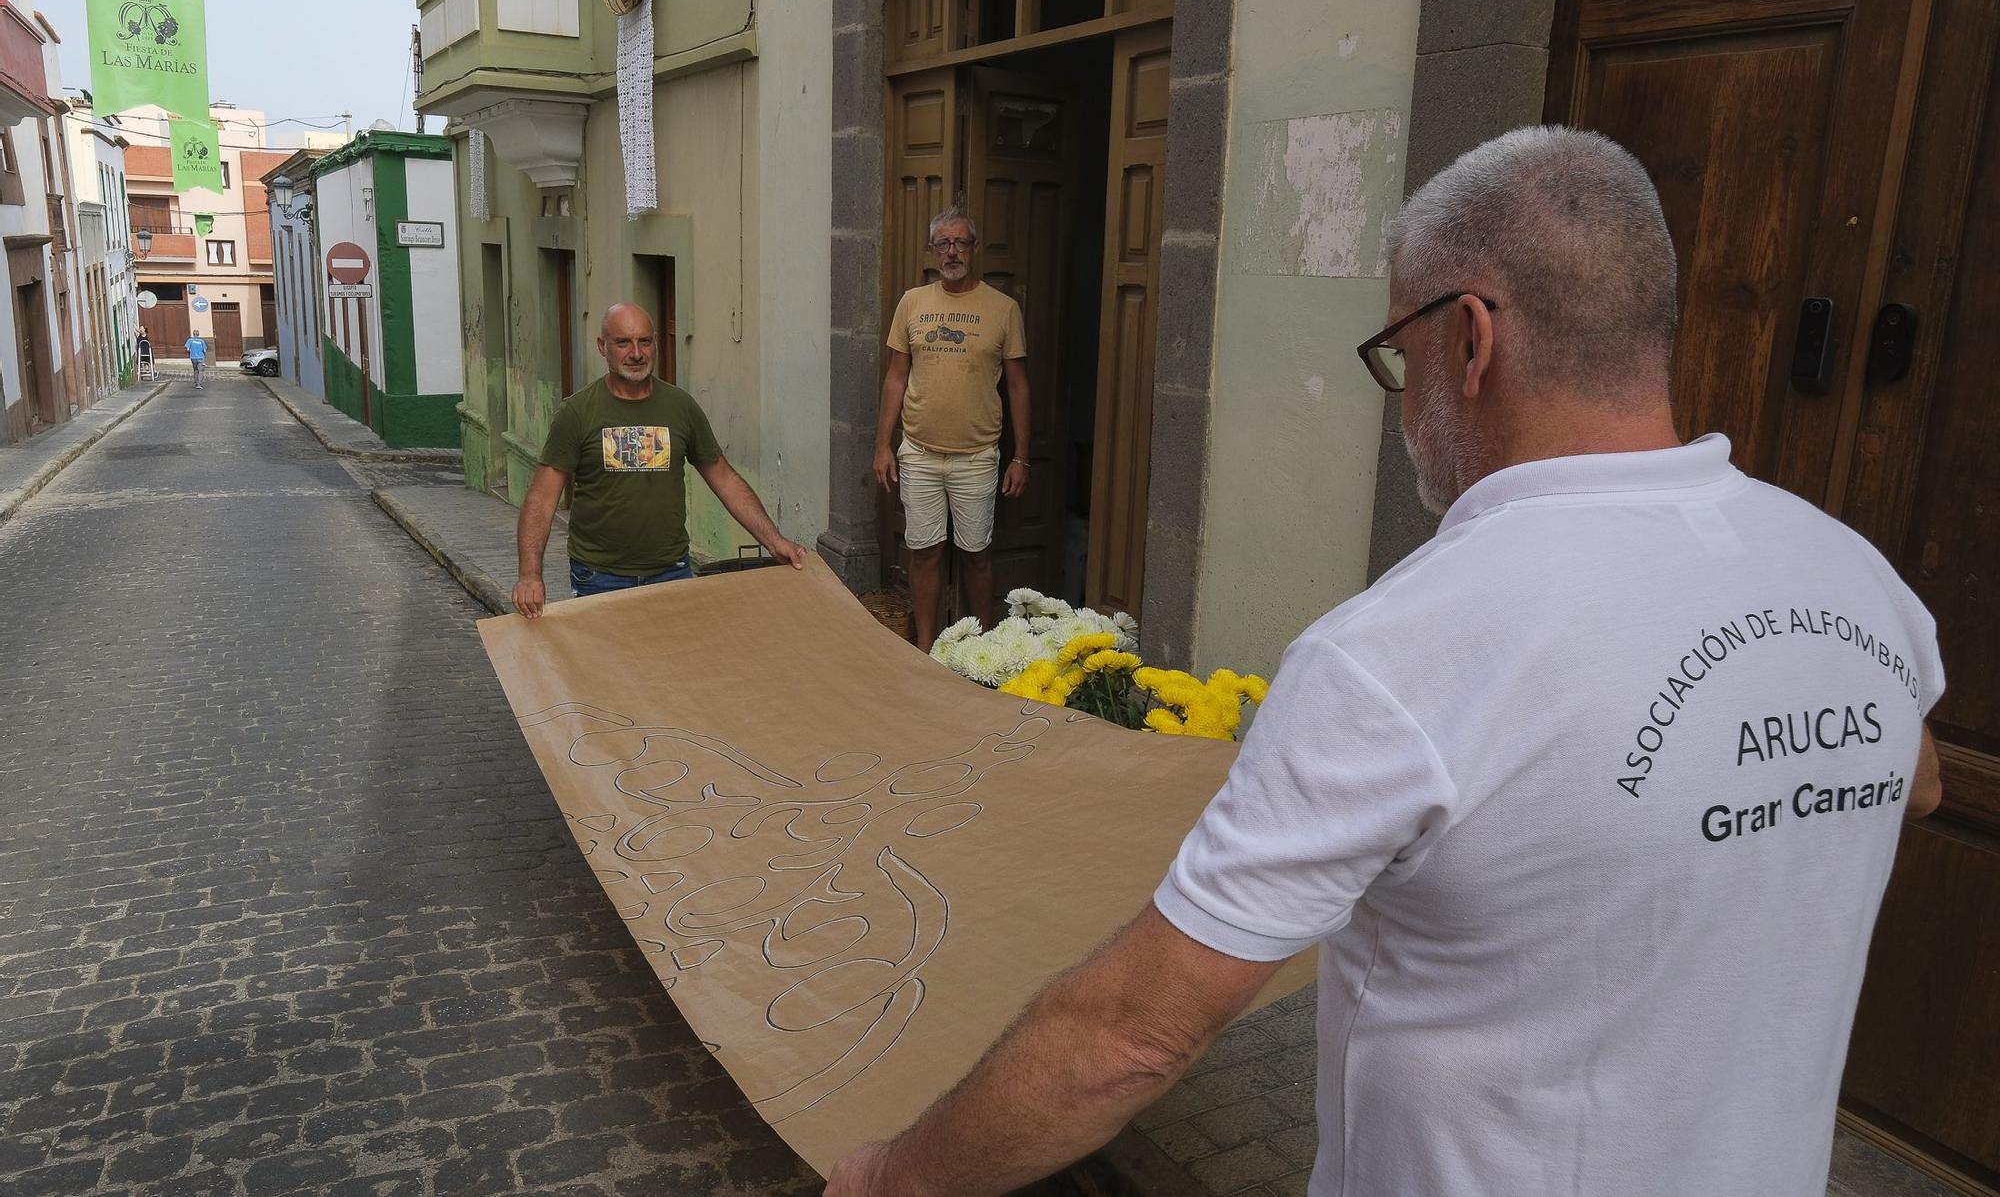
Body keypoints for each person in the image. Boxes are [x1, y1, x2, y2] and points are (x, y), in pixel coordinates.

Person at [824, 127, 1946, 1197]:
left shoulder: (1401, 650)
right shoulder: (1851, 575)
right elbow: (1919, 778)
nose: (1402, 396)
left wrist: (894, 1177)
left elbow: (1129, 1036)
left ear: (1471, 339)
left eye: (1398, 355)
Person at [512, 303, 807, 618]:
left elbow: (725, 479)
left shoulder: (680, 407)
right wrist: (530, 575)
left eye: (645, 341)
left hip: (671, 572)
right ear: (602, 346)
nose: (636, 353)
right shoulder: (577, 413)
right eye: (623, 342)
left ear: (655, 343)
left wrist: (774, 541)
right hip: (600, 577)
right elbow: (542, 497)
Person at [873, 205, 1030, 651]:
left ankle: (981, 650)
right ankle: (925, 648)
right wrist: (882, 446)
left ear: (975, 248)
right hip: (919, 453)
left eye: (960, 242)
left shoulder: (1003, 309)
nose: (952, 251)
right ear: (931, 250)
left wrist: (1021, 457)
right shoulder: (912, 302)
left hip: (976, 456)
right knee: (924, 553)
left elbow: (1018, 387)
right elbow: (896, 377)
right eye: (943, 243)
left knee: (977, 555)